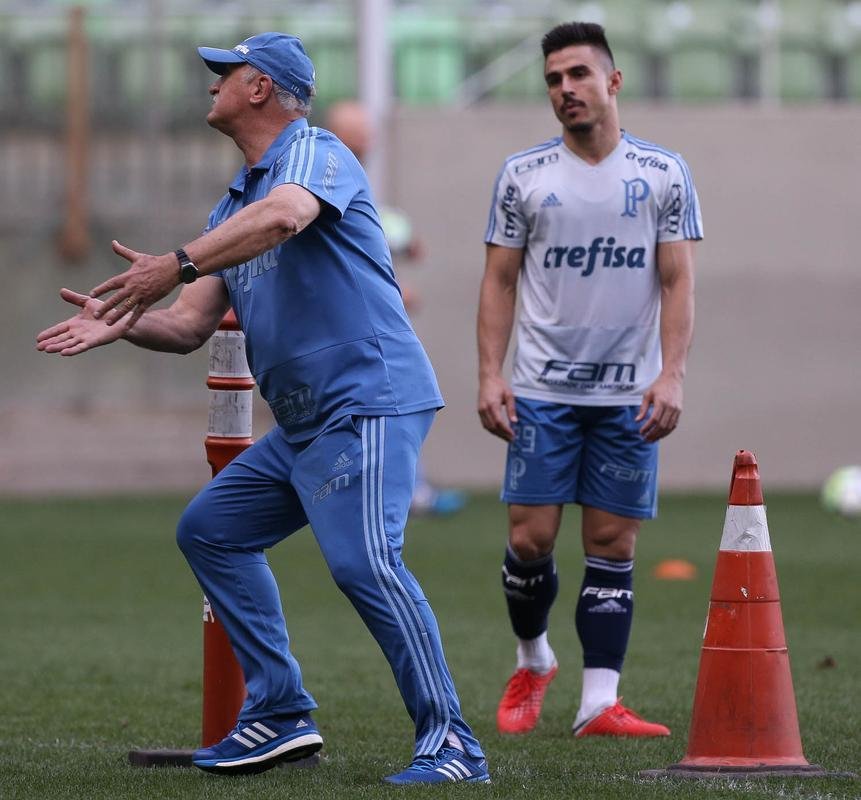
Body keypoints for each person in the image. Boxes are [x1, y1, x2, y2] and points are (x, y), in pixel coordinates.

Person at [37, 32, 488, 785]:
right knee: (210, 531)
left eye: (226, 71)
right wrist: (117, 322)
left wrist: (175, 261)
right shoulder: (231, 203)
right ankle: (280, 712)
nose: (210, 82)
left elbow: (284, 217)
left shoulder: (315, 154)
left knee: (366, 564)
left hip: (367, 397)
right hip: (308, 422)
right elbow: (187, 326)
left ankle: (453, 746)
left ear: (261, 89)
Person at [477, 21, 701, 738]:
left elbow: (676, 279)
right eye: (552, 79)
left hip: (627, 394)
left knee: (611, 544)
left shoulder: (663, 172)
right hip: (541, 389)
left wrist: (671, 375)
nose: (564, 90)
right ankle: (534, 657)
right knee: (530, 540)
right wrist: (489, 373)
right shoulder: (522, 175)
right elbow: (498, 280)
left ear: (612, 81)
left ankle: (597, 703)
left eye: (577, 74)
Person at [323, 100, 467, 517]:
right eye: (359, 136)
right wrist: (393, 293)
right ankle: (389, 491)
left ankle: (406, 487)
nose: (367, 144)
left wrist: (400, 241)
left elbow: (367, 235)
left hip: (357, 331)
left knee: (396, 400)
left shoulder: (348, 180)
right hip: (338, 333)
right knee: (389, 400)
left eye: (367, 136)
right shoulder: (323, 178)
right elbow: (336, 259)